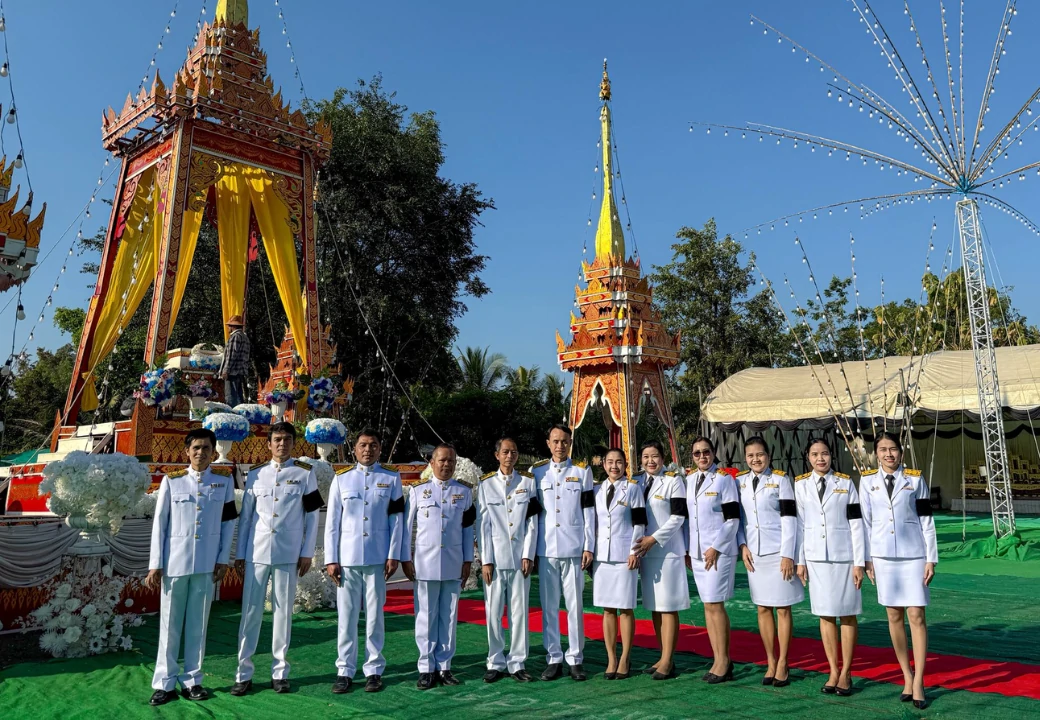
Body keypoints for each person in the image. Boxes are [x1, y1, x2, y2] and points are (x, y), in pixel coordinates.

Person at [145, 428, 237, 706]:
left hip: (206, 563)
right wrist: (156, 564)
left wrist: (223, 558)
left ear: (213, 452)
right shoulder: (172, 481)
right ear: (187, 452)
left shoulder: (223, 482)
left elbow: (228, 523)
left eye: (206, 448)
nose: (200, 452)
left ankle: (193, 680)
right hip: (175, 563)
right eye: (196, 448)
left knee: (198, 625)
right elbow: (160, 524)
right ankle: (164, 683)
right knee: (169, 625)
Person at [231, 422, 322, 696]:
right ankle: (243, 673)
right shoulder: (256, 474)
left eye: (287, 439)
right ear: (269, 443)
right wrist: (240, 553)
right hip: (257, 552)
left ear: (294, 443)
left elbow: (312, 516)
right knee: (250, 612)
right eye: (277, 439)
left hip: (287, 552)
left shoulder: (305, 473)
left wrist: (306, 552)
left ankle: (280, 672)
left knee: (283, 614)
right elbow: (247, 517)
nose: (282, 444)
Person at [324, 428, 405, 694]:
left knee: (374, 617)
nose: (367, 450)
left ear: (380, 449)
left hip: (378, 558)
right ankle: (344, 671)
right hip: (347, 559)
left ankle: (374, 670)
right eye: (363, 445)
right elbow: (332, 523)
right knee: (346, 617)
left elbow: (397, 520)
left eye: (373, 445)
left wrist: (393, 554)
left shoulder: (391, 478)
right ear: (355, 449)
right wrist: (331, 558)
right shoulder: (342, 478)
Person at [861, 432, 937, 710]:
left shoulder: (915, 479)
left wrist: (931, 558)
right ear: (876, 454)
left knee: (916, 615)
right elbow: (865, 523)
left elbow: (926, 519)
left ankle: (919, 681)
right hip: (882, 556)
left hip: (914, 554)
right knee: (893, 615)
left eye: (892, 449)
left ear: (900, 452)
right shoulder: (867, 481)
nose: (888, 454)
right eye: (882, 449)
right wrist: (866, 559)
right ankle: (907, 675)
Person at [795, 437, 865, 697]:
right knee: (825, 615)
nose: (820, 458)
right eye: (815, 454)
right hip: (816, 558)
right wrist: (800, 560)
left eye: (824, 453)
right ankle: (833, 671)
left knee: (847, 614)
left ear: (831, 456)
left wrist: (859, 562)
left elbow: (857, 523)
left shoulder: (845, 483)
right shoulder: (800, 485)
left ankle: (846, 672)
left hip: (844, 558)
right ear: (808, 457)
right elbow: (800, 525)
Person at [402, 444, 476, 690]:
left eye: (451, 461)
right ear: (432, 463)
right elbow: (406, 529)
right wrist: (406, 558)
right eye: (442, 460)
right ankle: (426, 667)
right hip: (425, 564)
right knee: (425, 616)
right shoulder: (418, 491)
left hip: (453, 563)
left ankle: (444, 665)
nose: (446, 465)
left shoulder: (464, 492)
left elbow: (467, 530)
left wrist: (468, 560)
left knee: (450, 616)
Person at [735, 436, 803, 688]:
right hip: (754, 554)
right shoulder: (739, 482)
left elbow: (790, 519)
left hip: (778, 553)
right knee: (762, 608)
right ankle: (771, 661)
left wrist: (788, 554)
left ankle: (783, 661)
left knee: (783, 608)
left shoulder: (781, 480)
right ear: (745, 458)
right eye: (751, 455)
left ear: (768, 455)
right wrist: (742, 545)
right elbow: (738, 519)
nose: (756, 459)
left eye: (760, 454)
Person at [530, 423, 595, 682]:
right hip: (546, 548)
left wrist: (589, 546)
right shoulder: (537, 472)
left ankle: (575, 658)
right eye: (555, 441)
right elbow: (533, 515)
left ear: (570, 443)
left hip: (574, 547)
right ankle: (554, 657)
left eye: (564, 441)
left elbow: (588, 512)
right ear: (548, 443)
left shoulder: (582, 471)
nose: (560, 446)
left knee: (575, 605)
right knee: (549, 606)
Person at [476, 437, 540, 683]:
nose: (509, 456)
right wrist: (486, 560)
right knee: (493, 612)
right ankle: (495, 661)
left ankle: (517, 662)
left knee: (519, 612)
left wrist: (528, 554)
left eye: (513, 452)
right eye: (505, 452)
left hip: (519, 558)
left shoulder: (527, 482)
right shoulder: (486, 484)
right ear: (497, 455)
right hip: (495, 559)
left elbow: (532, 522)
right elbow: (483, 525)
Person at [630, 440, 688, 680]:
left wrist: (653, 539)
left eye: (654, 456)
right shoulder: (636, 481)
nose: (650, 461)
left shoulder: (673, 481)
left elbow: (678, 517)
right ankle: (663, 655)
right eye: (645, 457)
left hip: (667, 551)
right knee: (655, 606)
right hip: (646, 552)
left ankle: (668, 660)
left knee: (668, 606)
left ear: (663, 458)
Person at [685, 436, 740, 684]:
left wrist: (716, 547)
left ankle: (724, 660)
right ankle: (718, 657)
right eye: (697, 453)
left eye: (706, 452)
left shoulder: (724, 479)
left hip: (718, 551)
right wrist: (689, 550)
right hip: (697, 553)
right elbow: (689, 520)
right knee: (708, 605)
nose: (702, 457)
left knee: (716, 604)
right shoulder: (688, 480)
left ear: (713, 453)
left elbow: (732, 519)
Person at [593, 448, 646, 680]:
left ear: (625, 465)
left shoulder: (632, 488)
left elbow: (640, 523)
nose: (614, 466)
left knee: (625, 608)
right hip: (602, 558)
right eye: (610, 462)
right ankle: (611, 658)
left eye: (619, 462)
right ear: (604, 464)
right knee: (607, 609)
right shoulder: (596, 489)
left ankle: (625, 657)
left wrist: (635, 551)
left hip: (625, 557)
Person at [218, 314, 250, 408]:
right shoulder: (245, 337)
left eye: (229, 325)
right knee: (239, 396)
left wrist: (226, 370)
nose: (228, 327)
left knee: (230, 397)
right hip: (241, 371)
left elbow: (231, 355)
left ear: (233, 326)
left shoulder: (235, 337)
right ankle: (239, 413)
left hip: (233, 372)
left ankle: (232, 413)